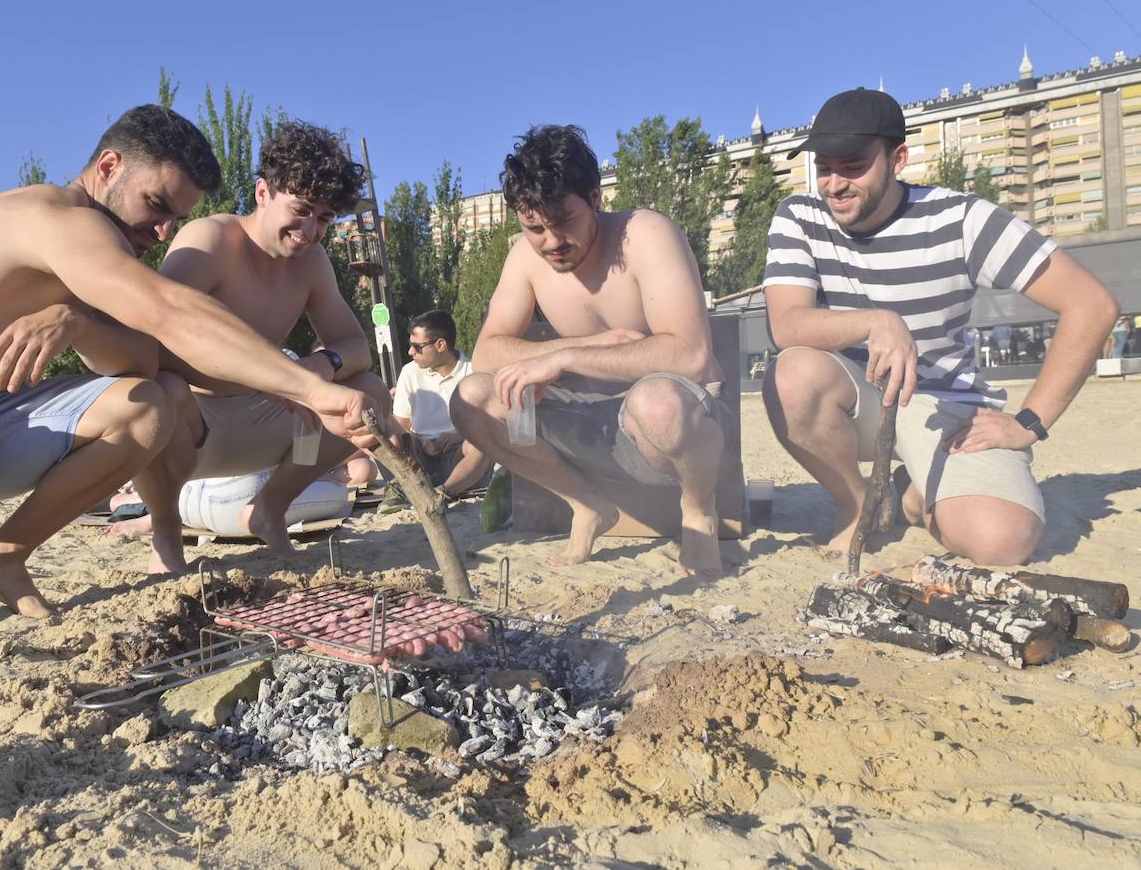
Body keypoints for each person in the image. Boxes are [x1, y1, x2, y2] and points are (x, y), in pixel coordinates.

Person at [0, 105, 377, 645]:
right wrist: (309, 387)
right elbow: (170, 314)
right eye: (157, 206)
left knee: (145, 404)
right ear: (108, 166)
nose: (165, 232)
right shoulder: (51, 217)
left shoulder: (103, 259)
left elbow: (144, 361)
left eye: (178, 218)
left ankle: (4, 555)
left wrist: (78, 323)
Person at [762, 88, 1118, 568]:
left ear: (898, 159)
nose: (835, 184)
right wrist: (876, 321)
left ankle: (911, 493)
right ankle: (857, 504)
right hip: (856, 401)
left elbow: (1092, 305)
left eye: (853, 166)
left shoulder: (962, 219)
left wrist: (1028, 423)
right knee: (791, 372)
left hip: (947, 407)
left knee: (1001, 542)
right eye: (825, 167)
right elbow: (787, 325)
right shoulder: (799, 217)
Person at [450, 125, 730, 576]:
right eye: (534, 227)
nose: (551, 242)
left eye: (563, 221)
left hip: (672, 424)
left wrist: (560, 358)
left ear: (596, 197)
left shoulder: (646, 234)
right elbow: (485, 354)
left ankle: (699, 513)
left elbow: (691, 356)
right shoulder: (525, 256)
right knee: (472, 398)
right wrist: (574, 351)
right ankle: (588, 505)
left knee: (656, 401)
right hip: (588, 418)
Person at [115, 121, 390, 573]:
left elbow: (354, 345)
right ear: (263, 192)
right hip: (192, 424)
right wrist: (268, 379)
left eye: (323, 218)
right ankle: (165, 533)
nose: (310, 230)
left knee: (372, 392)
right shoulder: (211, 241)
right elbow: (153, 342)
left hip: (267, 420)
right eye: (301, 210)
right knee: (158, 390)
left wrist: (318, 370)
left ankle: (270, 509)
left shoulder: (313, 263)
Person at [380, 309, 490, 512]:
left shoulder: (474, 371)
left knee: (481, 442)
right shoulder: (409, 372)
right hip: (419, 456)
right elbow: (400, 426)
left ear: (440, 345)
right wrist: (419, 439)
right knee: (381, 428)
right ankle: (399, 488)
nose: (410, 352)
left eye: (417, 347)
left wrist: (457, 435)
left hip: (458, 456)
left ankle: (445, 493)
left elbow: (488, 424)